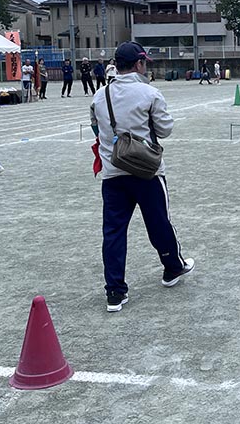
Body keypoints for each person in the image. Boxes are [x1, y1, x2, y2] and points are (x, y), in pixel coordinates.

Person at [90, 42, 195, 312]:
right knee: (159, 222)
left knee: (113, 231)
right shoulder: (150, 93)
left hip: (113, 171)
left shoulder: (101, 95)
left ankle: (115, 291)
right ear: (138, 64)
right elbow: (165, 129)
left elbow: (95, 125)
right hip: (147, 170)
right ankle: (172, 267)